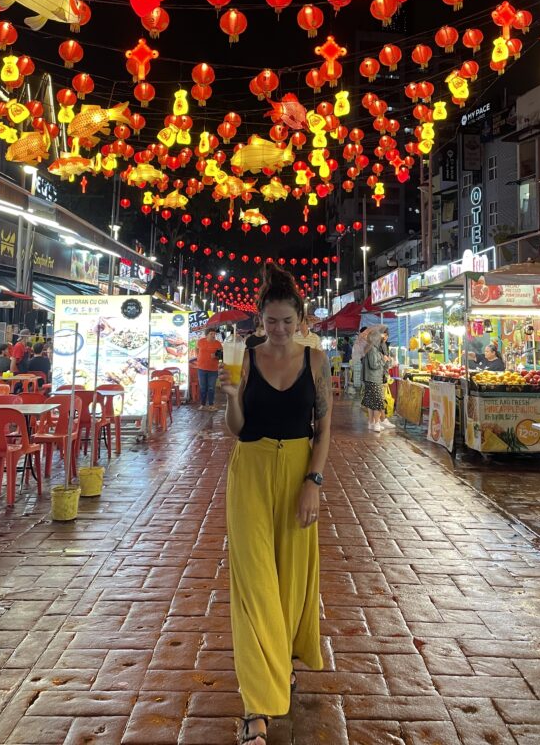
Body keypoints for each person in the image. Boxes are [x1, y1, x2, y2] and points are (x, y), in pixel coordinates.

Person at [219, 264, 331, 745]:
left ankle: (280, 660)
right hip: (251, 470)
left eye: (288, 321)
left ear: (301, 320)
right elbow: (238, 428)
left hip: (298, 474)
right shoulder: (244, 357)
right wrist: (230, 399)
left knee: (290, 581)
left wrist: (314, 481)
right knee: (254, 584)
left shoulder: (317, 360)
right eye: (272, 322)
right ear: (261, 320)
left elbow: (324, 426)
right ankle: (255, 707)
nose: (279, 330)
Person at [361, 329, 391, 433]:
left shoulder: (371, 347)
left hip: (370, 378)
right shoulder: (373, 349)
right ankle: (377, 423)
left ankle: (371, 423)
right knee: (378, 402)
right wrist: (384, 360)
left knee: (370, 402)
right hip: (374, 378)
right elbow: (374, 365)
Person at [195, 327, 222, 410]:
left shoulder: (218, 344)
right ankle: (202, 405)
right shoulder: (200, 341)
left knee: (211, 388)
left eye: (214, 334)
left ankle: (211, 405)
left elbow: (221, 355)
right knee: (203, 387)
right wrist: (198, 357)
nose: (213, 335)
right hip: (201, 368)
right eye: (211, 334)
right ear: (207, 335)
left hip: (213, 370)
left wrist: (216, 356)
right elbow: (196, 349)